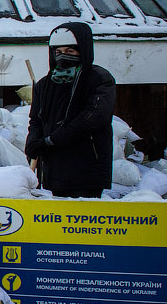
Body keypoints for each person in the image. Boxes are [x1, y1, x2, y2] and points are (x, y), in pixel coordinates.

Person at [25, 21, 116, 198]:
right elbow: (36, 119)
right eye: (58, 52)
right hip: (54, 169)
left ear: (82, 50)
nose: (63, 57)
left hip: (86, 168)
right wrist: (34, 142)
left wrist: (52, 140)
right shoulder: (45, 84)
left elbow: (91, 118)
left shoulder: (98, 79)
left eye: (70, 52)